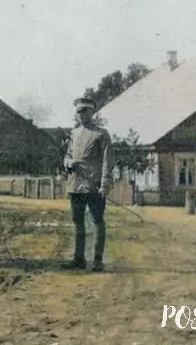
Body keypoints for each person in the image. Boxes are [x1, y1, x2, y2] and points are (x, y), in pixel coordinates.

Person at [62, 95, 114, 272]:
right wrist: (68, 163)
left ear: (92, 112)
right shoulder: (73, 133)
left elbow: (107, 160)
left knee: (97, 221)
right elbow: (68, 155)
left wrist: (104, 184)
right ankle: (79, 259)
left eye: (85, 111)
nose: (81, 114)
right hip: (75, 184)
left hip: (94, 185)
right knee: (78, 222)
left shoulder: (101, 134)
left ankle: (98, 261)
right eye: (78, 111)